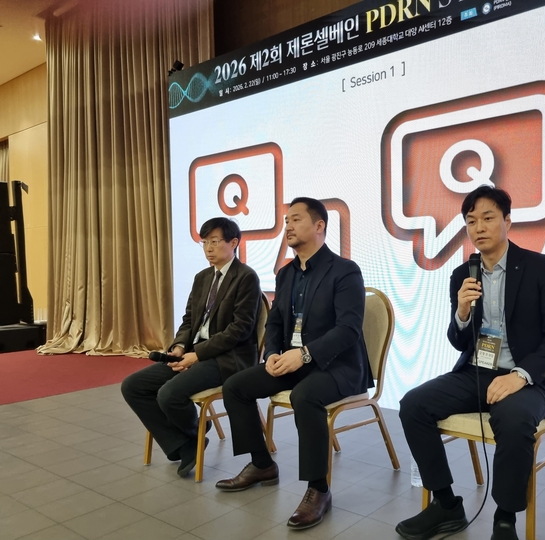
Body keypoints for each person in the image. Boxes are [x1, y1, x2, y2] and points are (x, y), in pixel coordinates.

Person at [396, 186, 545, 540]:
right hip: (477, 372)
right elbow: (458, 341)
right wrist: (462, 312)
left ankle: (504, 519)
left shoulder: (541, 268)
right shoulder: (463, 274)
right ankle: (446, 505)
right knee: (413, 405)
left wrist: (520, 375)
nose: (478, 227)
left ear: (507, 221)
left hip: (531, 381)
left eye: (488, 218)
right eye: (471, 221)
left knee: (512, 419)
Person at [215, 197, 372, 530]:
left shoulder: (344, 271)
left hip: (338, 366)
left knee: (306, 396)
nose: (287, 226)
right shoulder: (286, 274)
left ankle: (319, 489)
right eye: (286, 220)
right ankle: (262, 464)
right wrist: (271, 353)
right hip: (292, 362)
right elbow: (274, 323)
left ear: (319, 226)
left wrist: (303, 354)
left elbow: (348, 330)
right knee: (236, 386)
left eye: (296, 219)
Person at [121, 217, 261, 478]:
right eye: (205, 242)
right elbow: (189, 320)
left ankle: (192, 433)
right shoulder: (202, 278)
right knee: (133, 386)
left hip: (228, 358)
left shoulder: (246, 277)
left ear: (233, 243)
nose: (209, 248)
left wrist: (197, 355)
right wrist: (179, 346)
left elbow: (239, 330)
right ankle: (187, 440)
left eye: (215, 241)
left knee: (168, 394)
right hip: (195, 352)